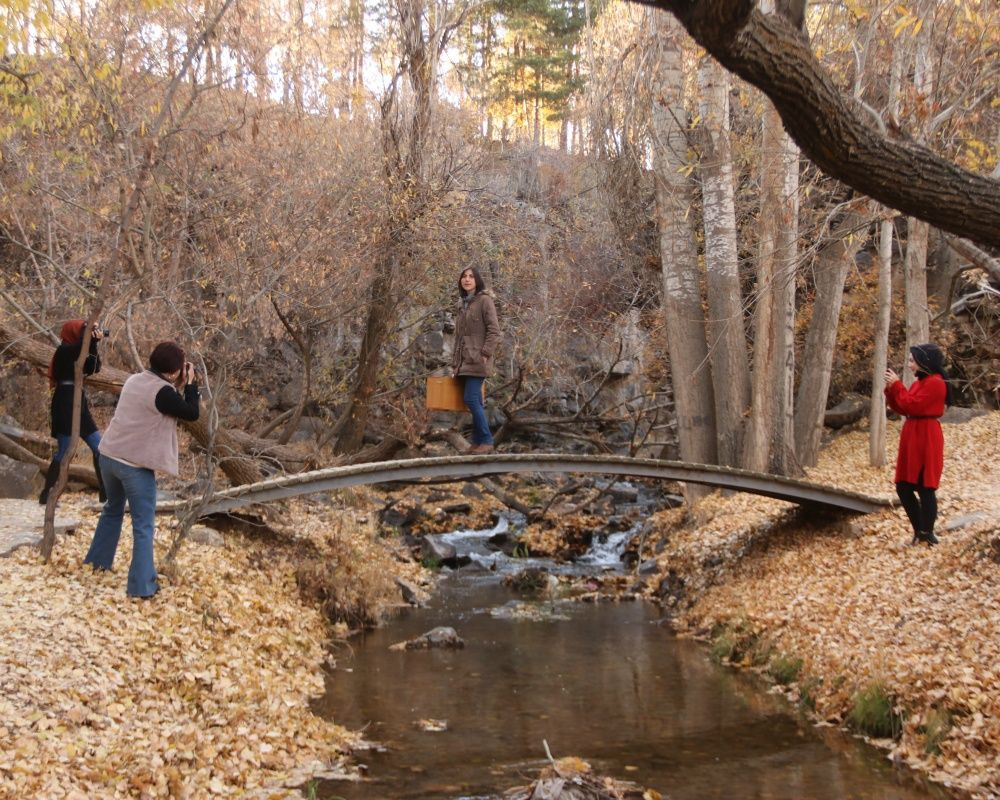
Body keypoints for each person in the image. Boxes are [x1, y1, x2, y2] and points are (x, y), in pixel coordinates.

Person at [83, 342, 200, 598]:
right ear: (172, 372)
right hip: (133, 467)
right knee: (143, 525)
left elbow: (163, 400)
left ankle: (96, 563)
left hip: (108, 456)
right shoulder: (164, 392)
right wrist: (191, 384)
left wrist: (178, 384)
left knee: (112, 510)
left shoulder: (135, 380)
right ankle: (142, 587)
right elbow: (191, 413)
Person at [883, 343, 952, 546]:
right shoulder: (919, 383)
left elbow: (912, 405)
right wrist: (890, 390)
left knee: (925, 487)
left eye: (912, 361)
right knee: (903, 487)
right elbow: (903, 406)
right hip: (913, 435)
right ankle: (919, 531)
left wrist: (897, 386)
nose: (910, 365)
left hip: (926, 437)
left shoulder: (936, 383)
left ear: (924, 362)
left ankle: (927, 533)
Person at [40, 320, 106, 505]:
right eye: (83, 332)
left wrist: (93, 343)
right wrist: (90, 340)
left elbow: (94, 367)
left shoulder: (81, 349)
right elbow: (76, 350)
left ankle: (105, 493)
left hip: (79, 402)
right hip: (65, 402)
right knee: (65, 450)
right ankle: (48, 493)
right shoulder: (64, 350)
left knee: (99, 447)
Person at [453, 267, 501, 454]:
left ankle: (487, 441)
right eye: (464, 276)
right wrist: (454, 364)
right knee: (474, 401)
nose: (467, 279)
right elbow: (459, 338)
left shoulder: (485, 301)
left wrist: (485, 353)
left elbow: (494, 330)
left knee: (471, 398)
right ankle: (477, 441)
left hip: (478, 360)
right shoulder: (462, 304)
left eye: (471, 276)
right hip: (464, 361)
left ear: (477, 280)